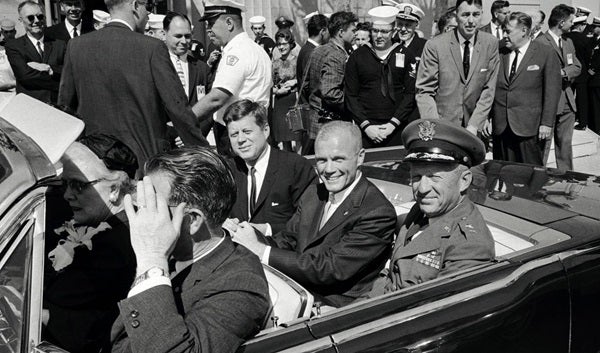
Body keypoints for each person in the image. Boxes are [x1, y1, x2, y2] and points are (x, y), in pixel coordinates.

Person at [110, 146, 270, 353]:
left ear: (192, 220)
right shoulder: (171, 253)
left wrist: (152, 260)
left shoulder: (239, 283)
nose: (140, 218)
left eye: (152, 206)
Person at [231, 121, 396, 308]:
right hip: (296, 293)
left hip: (336, 310)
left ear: (360, 158)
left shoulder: (376, 212)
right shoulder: (314, 193)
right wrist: (248, 236)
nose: (329, 169)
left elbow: (330, 269)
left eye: (338, 159)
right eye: (321, 160)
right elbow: (287, 240)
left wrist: (260, 250)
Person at [57, 0, 208, 172]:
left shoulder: (76, 46)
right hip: (143, 165)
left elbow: (64, 110)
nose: (148, 15)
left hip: (94, 167)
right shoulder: (152, 48)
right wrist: (204, 154)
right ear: (135, 6)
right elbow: (178, 108)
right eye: (147, 8)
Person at [369, 119, 495, 296]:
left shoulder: (470, 246)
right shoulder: (422, 211)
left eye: (434, 177)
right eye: (417, 176)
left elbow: (431, 311)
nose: (422, 188)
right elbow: (391, 278)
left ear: (464, 181)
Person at [43, 135, 138, 353]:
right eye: (65, 184)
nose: (67, 195)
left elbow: (60, 302)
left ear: (114, 189)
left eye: (78, 185)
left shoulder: (115, 245)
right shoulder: (108, 225)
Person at [224, 99, 315, 236]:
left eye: (247, 131)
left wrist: (266, 230)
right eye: (234, 134)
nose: (240, 140)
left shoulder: (295, 167)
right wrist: (223, 223)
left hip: (280, 251)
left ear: (265, 130)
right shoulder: (228, 170)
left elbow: (308, 222)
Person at [197, 0, 272, 156]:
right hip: (253, 127)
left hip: (236, 133)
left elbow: (217, 98)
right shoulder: (255, 49)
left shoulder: (236, 52)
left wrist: (184, 120)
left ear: (229, 23)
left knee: (237, 178)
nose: (208, 30)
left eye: (211, 23)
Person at [416, 0, 500, 135]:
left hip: (475, 129)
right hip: (442, 127)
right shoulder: (435, 45)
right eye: (465, 15)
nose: (471, 20)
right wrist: (435, 126)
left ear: (482, 14)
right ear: (457, 15)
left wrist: (474, 125)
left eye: (476, 14)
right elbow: (424, 91)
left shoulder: (490, 44)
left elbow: (488, 90)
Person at [491, 12, 562, 166]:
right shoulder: (499, 51)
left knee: (531, 175)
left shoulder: (545, 53)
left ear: (524, 31)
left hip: (529, 129)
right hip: (501, 126)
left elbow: (552, 91)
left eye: (508, 31)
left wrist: (547, 123)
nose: (504, 35)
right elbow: (491, 86)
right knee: (502, 173)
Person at [345, 5, 418, 148]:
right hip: (367, 129)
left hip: (397, 127)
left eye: (384, 31)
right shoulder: (357, 56)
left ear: (393, 31)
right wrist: (366, 126)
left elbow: (410, 94)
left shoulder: (406, 55)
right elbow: (351, 95)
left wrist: (392, 124)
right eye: (375, 31)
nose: (379, 36)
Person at [304, 11, 357, 155]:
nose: (356, 34)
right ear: (341, 32)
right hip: (330, 124)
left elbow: (307, 84)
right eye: (353, 30)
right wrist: (354, 104)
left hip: (317, 121)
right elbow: (330, 93)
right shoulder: (336, 55)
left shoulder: (319, 50)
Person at [536, 4, 581, 172]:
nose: (573, 24)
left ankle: (567, 179)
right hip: (549, 103)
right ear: (561, 22)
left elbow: (577, 67)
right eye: (571, 21)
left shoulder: (568, 42)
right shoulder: (540, 42)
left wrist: (562, 72)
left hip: (568, 102)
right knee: (543, 147)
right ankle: (537, 182)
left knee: (565, 146)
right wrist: (557, 73)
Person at [6, 1, 66, 104]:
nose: (37, 21)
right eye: (30, 18)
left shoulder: (60, 44)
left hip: (59, 104)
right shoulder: (14, 46)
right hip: (30, 106)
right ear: (21, 21)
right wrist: (58, 79)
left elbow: (69, 72)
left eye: (40, 16)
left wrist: (49, 68)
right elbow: (25, 77)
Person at [163, 12, 212, 137]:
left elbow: (210, 107)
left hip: (195, 140)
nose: (184, 41)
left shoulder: (202, 69)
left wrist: (195, 132)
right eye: (178, 36)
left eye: (187, 36)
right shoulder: (155, 66)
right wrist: (173, 134)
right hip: (166, 142)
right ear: (165, 34)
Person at [271, 29, 301, 150]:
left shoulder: (297, 60)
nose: (281, 47)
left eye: (284, 43)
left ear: (291, 44)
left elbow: (305, 79)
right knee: (284, 138)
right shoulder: (275, 63)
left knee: (297, 135)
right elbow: (269, 85)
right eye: (279, 44)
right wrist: (277, 91)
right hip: (280, 101)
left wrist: (295, 81)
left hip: (294, 100)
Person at [565, 15, 593, 131]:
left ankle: (568, 118)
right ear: (580, 26)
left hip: (569, 71)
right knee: (582, 99)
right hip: (582, 72)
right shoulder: (585, 39)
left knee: (568, 96)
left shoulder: (565, 37)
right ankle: (582, 122)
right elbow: (588, 57)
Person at [587, 20, 600, 134]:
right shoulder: (593, 40)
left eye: (595, 26)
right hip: (593, 79)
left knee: (597, 104)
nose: (593, 28)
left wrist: (593, 70)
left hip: (597, 78)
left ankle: (597, 128)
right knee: (593, 104)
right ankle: (594, 125)